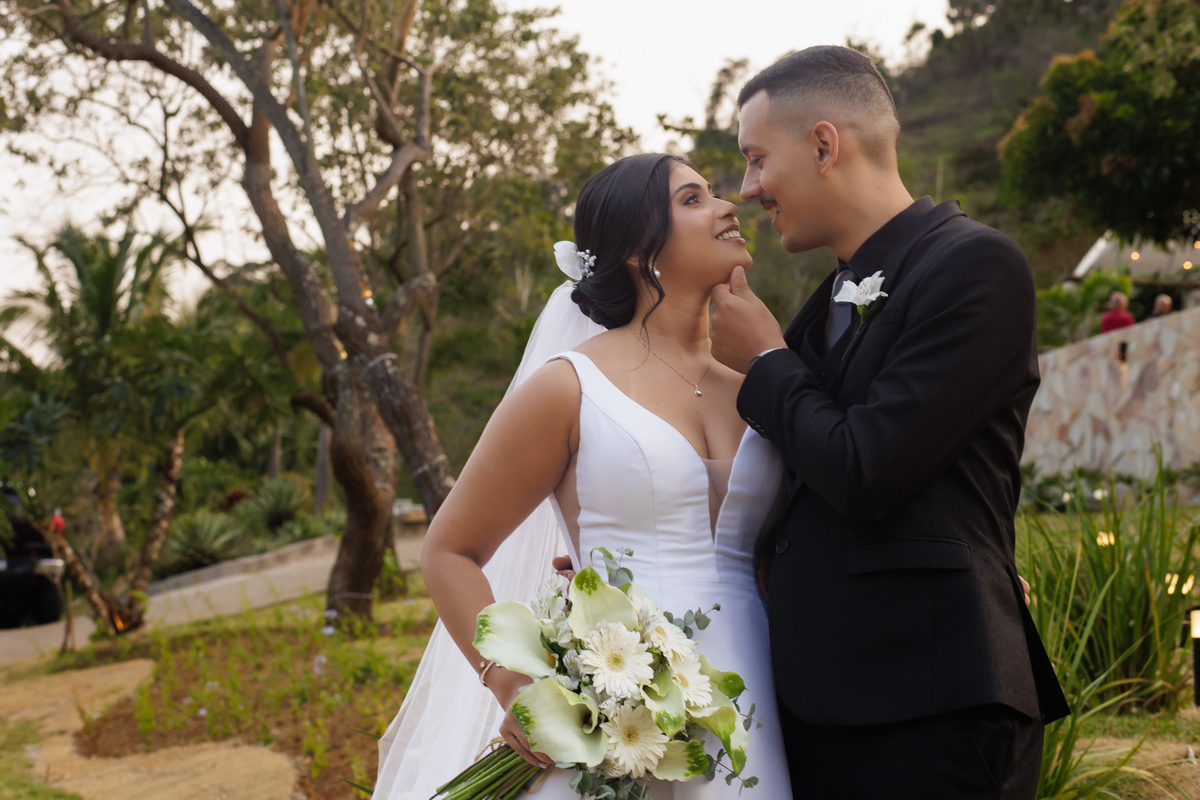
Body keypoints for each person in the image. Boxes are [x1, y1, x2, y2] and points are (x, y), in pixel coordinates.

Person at [372, 153, 793, 799]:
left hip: (760, 697)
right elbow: (449, 549)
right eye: (692, 199)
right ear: (635, 249)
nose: (728, 206)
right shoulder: (571, 386)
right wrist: (514, 686)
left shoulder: (765, 383)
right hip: (616, 713)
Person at [708, 46, 1068, 800]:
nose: (748, 189)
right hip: (818, 704)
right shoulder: (827, 298)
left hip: (929, 701)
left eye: (754, 159)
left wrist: (769, 360)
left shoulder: (976, 268)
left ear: (824, 143)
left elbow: (866, 468)